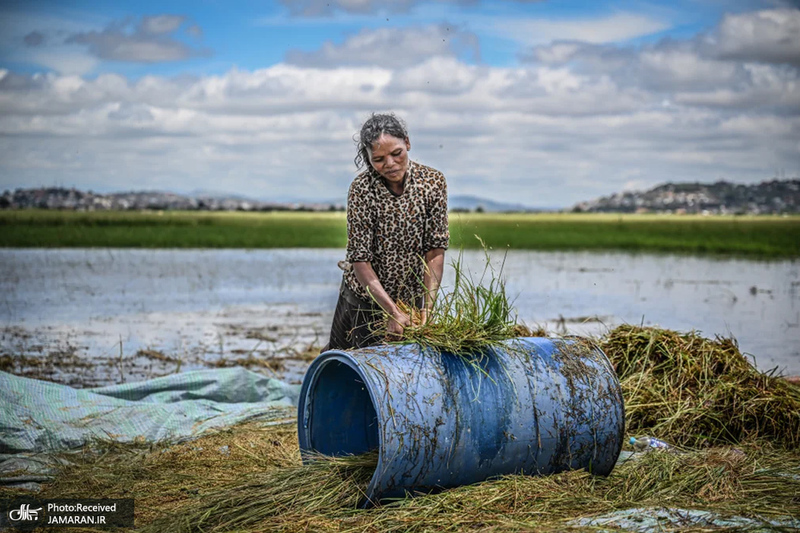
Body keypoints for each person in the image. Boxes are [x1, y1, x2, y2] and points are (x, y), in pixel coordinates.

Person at [326, 113, 449, 350]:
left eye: (397, 153)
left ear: (407, 143)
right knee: (354, 359)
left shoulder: (433, 183)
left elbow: (434, 250)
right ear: (369, 159)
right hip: (365, 297)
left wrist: (427, 309)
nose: (390, 164)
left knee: (404, 369)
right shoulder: (362, 189)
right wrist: (391, 312)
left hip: (409, 298)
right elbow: (360, 260)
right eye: (379, 159)